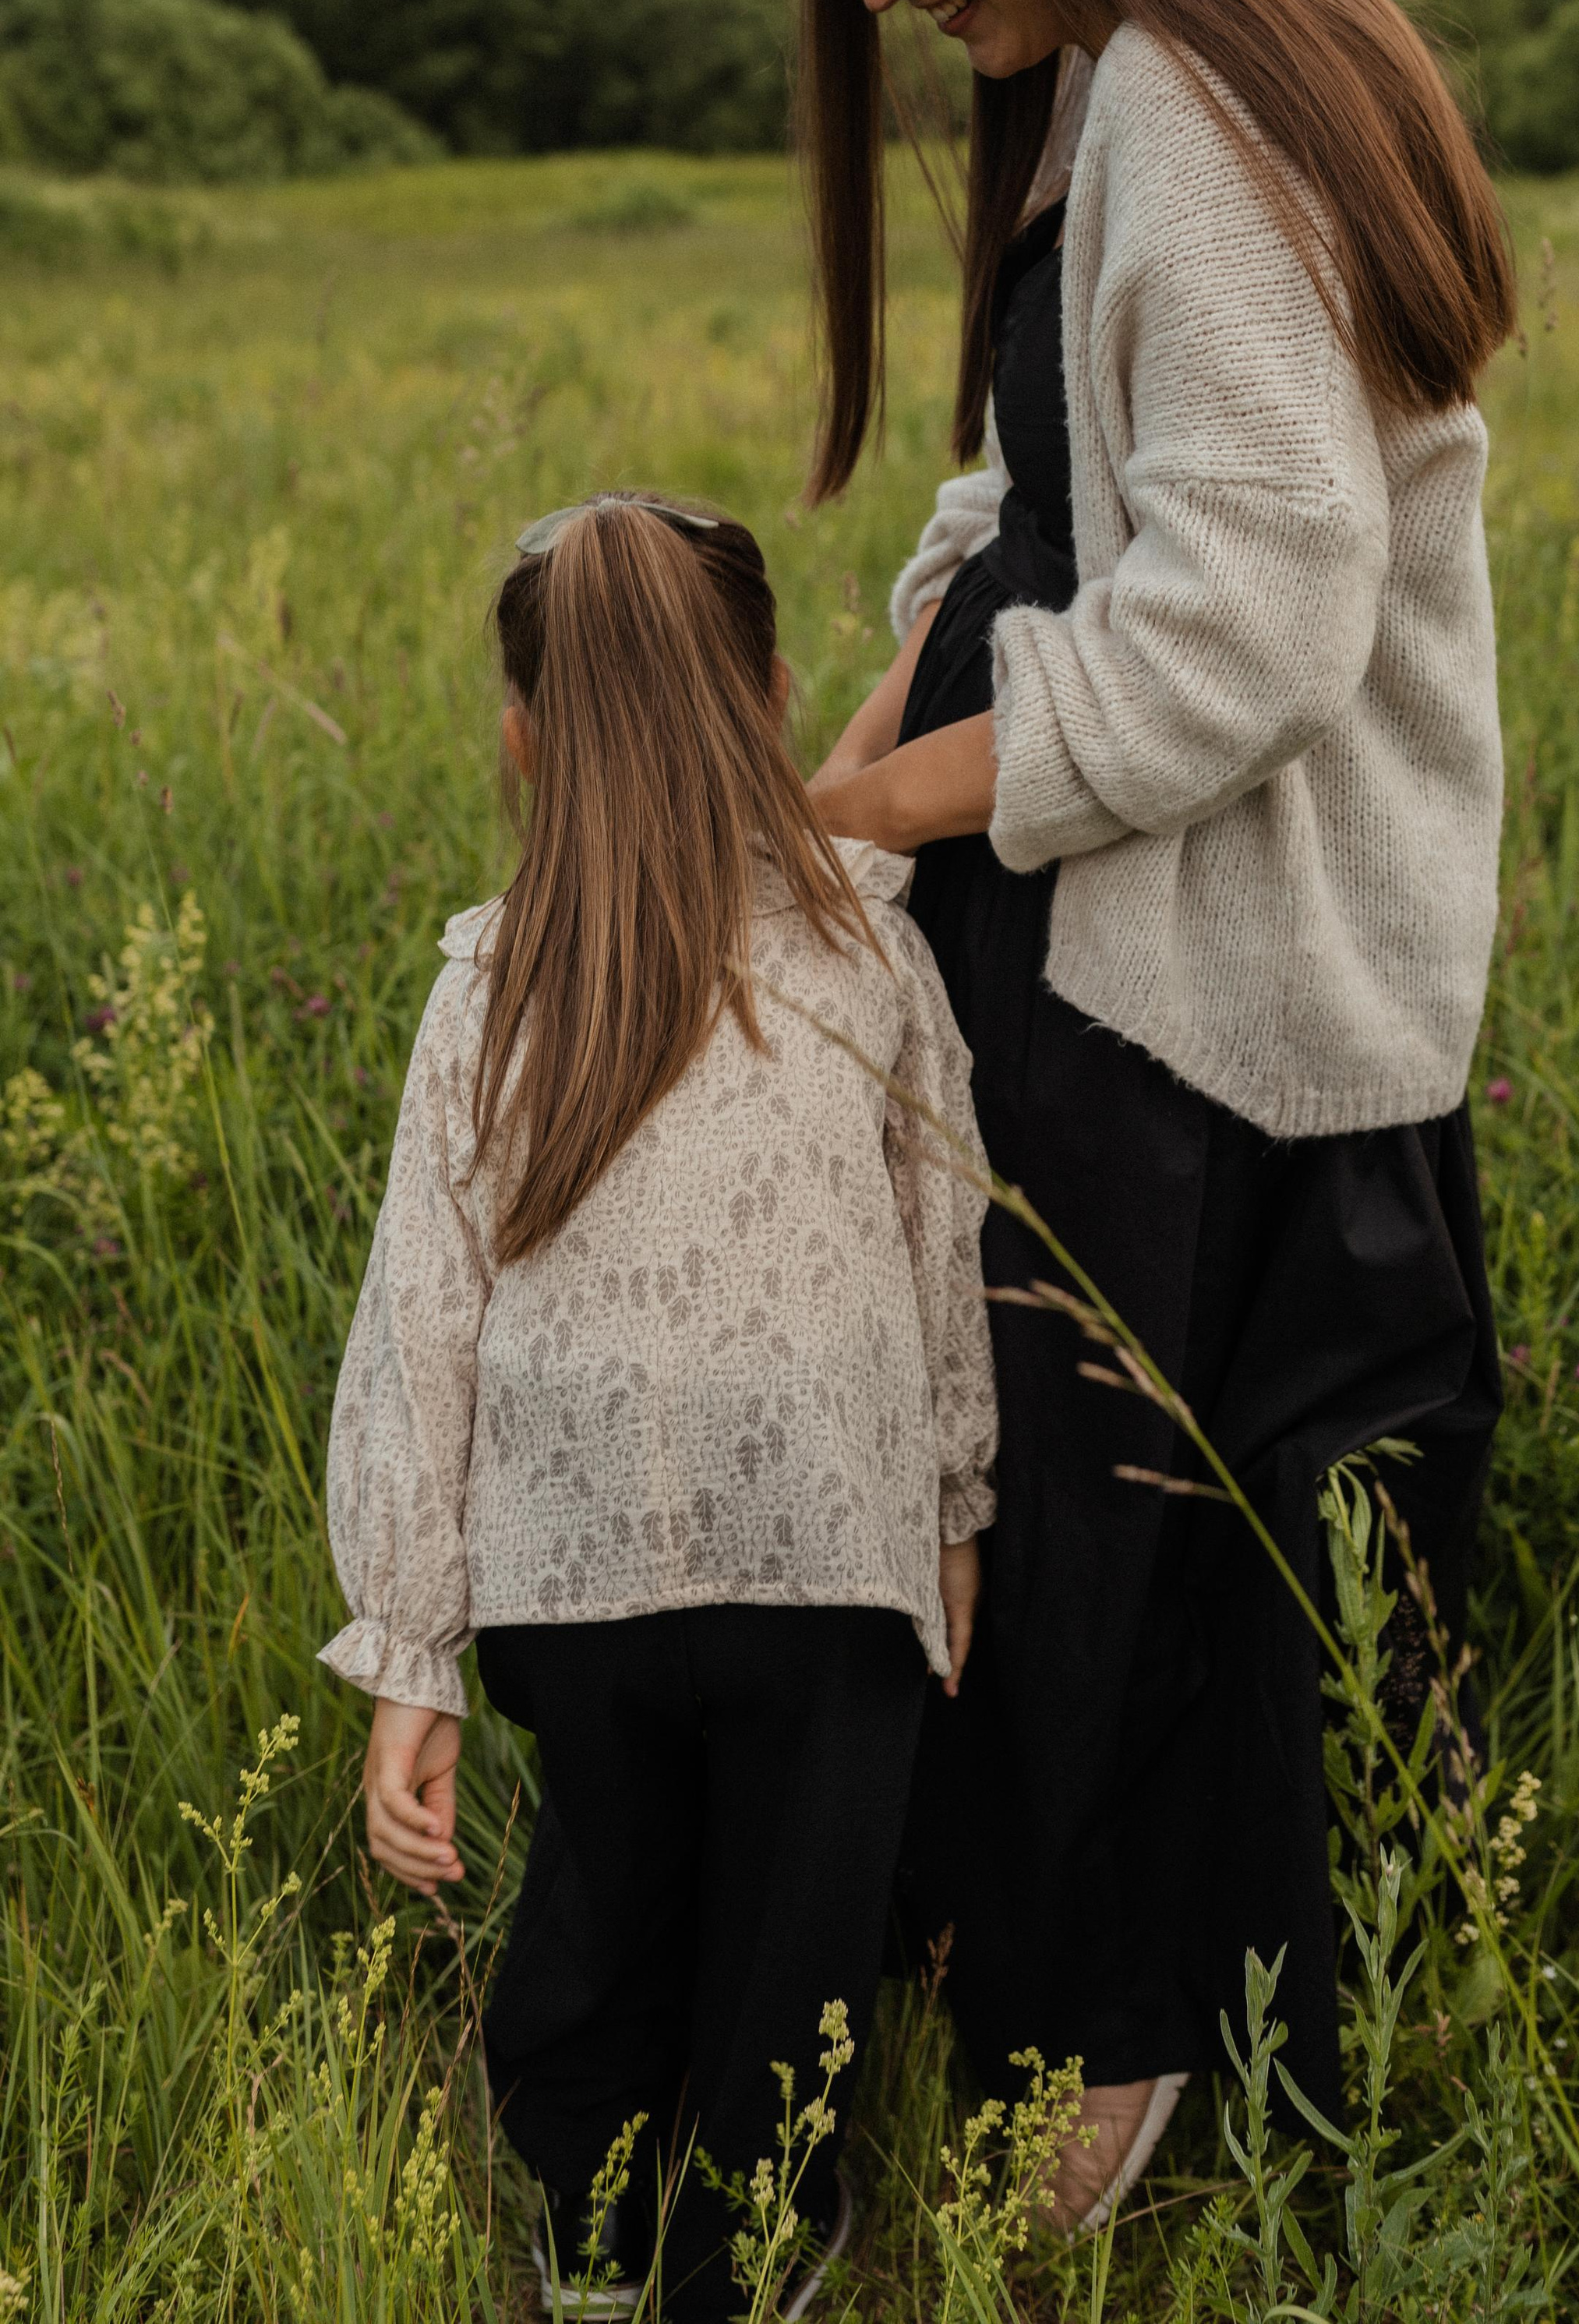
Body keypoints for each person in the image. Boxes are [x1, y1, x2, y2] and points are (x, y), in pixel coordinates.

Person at [762, 0, 1510, 2230]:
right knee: (1055, 1495)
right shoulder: (1117, 90)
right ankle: (1037, 1976)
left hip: (1207, 978)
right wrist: (842, 754)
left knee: (1137, 1527)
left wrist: (877, 823)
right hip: (1106, 934)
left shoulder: (1208, 123)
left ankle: (1131, 2052)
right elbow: (1031, 501)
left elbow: (1247, 627)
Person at [318, 493, 995, 2320]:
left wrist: (412, 1649)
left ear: (521, 739)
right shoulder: (868, 947)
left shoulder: (490, 982)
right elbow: (949, 1234)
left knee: (600, 1899)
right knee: (800, 1933)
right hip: (826, 1556)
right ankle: (752, 2250)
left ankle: (597, 2236)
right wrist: (953, 1512)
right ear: (775, 697)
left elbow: (421, 1320)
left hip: (571, 1579)